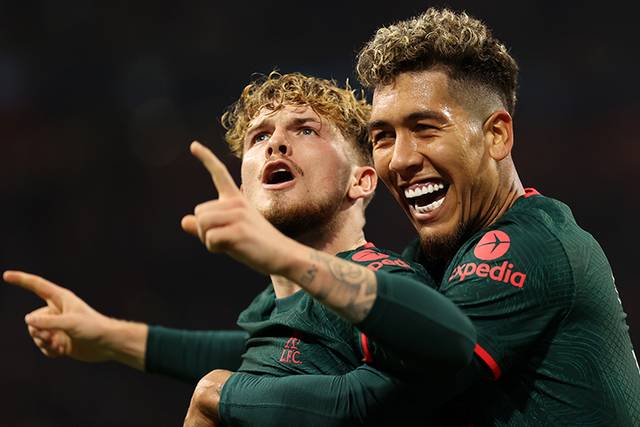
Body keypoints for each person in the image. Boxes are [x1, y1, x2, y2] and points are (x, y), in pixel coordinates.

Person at [154, 7, 640, 427]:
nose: (400, 159)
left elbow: (368, 405)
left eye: (425, 128)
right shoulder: (431, 261)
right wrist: (123, 340)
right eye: (383, 136)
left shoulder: (530, 247)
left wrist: (220, 394)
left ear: (496, 136)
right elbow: (289, 345)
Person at [4, 72, 474, 426]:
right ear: (246, 191)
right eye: (259, 136)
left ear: (361, 180)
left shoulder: (381, 281)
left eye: (306, 130)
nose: (276, 145)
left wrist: (218, 394)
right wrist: (105, 336)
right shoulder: (274, 306)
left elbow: (424, 361)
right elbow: (248, 350)